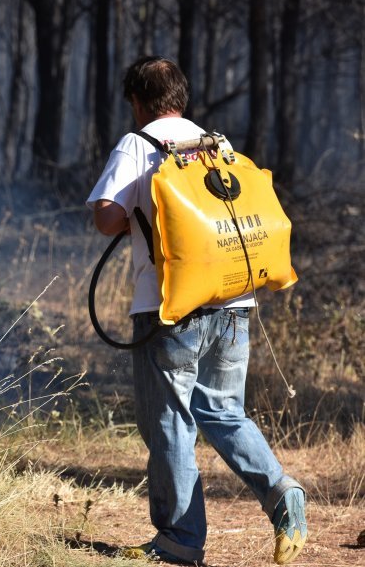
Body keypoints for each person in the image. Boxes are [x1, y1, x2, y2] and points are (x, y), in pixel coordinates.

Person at [86, 56, 308, 566]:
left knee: (170, 424)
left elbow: (105, 218)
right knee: (224, 412)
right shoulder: (215, 145)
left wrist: (138, 212)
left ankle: (181, 541)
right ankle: (282, 492)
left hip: (170, 308)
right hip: (233, 302)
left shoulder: (137, 144)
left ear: (138, 103)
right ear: (181, 99)